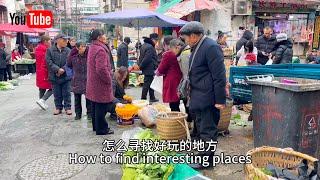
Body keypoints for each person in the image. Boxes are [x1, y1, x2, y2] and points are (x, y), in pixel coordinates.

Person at [179, 21, 226, 169]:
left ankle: (207, 161)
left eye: (185, 38)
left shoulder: (211, 47)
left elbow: (219, 76)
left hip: (208, 97)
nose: (185, 41)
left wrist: (220, 100)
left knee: (207, 131)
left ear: (193, 36)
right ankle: (202, 157)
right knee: (200, 129)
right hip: (199, 96)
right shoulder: (197, 46)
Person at [87, 29, 117, 135]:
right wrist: (109, 79)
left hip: (93, 82)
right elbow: (101, 69)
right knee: (101, 106)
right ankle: (102, 129)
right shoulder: (100, 50)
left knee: (95, 105)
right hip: (100, 83)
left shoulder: (92, 47)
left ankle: (96, 127)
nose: (106, 37)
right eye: (104, 35)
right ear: (99, 37)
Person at [46, 34, 72, 115]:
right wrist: (57, 69)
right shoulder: (50, 50)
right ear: (57, 40)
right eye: (64, 40)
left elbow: (70, 62)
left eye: (66, 40)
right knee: (57, 93)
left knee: (67, 92)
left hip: (65, 75)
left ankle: (68, 107)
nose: (66, 42)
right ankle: (58, 107)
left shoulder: (68, 50)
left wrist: (62, 69)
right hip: (54, 75)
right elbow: (48, 62)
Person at [67, 41, 92, 120]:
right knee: (77, 99)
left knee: (88, 99)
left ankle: (89, 114)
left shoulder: (89, 56)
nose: (83, 48)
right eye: (81, 47)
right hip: (76, 80)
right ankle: (78, 114)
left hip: (87, 79)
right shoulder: (73, 57)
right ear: (77, 48)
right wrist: (71, 76)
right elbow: (68, 65)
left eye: (85, 46)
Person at [156, 39, 183, 112]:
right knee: (177, 101)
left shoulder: (168, 54)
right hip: (180, 78)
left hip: (172, 80)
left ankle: (175, 120)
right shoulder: (182, 52)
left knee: (173, 103)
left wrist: (157, 73)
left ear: (165, 45)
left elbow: (161, 69)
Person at [138, 33, 159, 103]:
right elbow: (147, 58)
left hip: (147, 68)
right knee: (146, 85)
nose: (156, 42)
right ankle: (143, 99)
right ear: (152, 39)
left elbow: (141, 57)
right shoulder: (150, 47)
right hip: (149, 68)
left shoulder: (144, 45)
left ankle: (152, 97)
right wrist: (141, 66)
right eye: (156, 40)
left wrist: (140, 65)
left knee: (150, 83)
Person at [35, 35, 53, 110]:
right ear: (45, 41)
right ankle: (42, 100)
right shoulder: (46, 50)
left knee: (41, 88)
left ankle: (41, 102)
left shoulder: (37, 48)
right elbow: (47, 62)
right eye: (49, 41)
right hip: (45, 71)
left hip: (39, 71)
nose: (50, 42)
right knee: (53, 87)